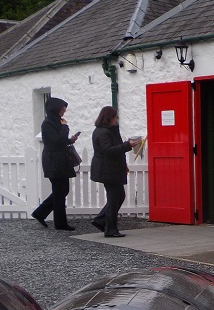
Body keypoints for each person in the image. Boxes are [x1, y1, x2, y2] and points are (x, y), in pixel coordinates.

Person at [31, 96, 80, 231]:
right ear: (56, 109)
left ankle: (41, 213)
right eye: (62, 108)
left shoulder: (56, 122)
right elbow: (57, 140)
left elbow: (61, 141)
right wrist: (65, 128)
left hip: (59, 159)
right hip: (53, 160)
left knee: (61, 190)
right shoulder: (47, 124)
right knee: (60, 191)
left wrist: (70, 140)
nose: (64, 111)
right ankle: (60, 223)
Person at [90, 106, 137, 238]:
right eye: (115, 117)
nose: (116, 119)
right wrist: (128, 145)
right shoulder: (103, 132)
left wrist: (124, 162)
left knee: (117, 196)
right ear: (109, 117)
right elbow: (108, 150)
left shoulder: (105, 131)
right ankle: (110, 229)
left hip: (111, 168)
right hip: (108, 169)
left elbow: (113, 149)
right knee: (115, 198)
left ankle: (101, 220)